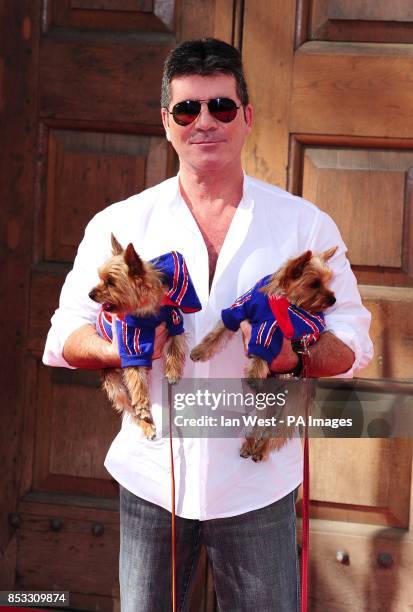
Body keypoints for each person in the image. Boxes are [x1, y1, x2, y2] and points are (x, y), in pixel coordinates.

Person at [43, 38, 373, 612]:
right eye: (187, 109)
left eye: (221, 107)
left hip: (260, 481)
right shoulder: (120, 223)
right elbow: (64, 338)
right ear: (166, 123)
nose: (205, 122)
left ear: (246, 117)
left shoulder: (305, 226)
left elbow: (353, 344)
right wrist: (127, 345)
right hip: (152, 477)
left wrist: (292, 352)